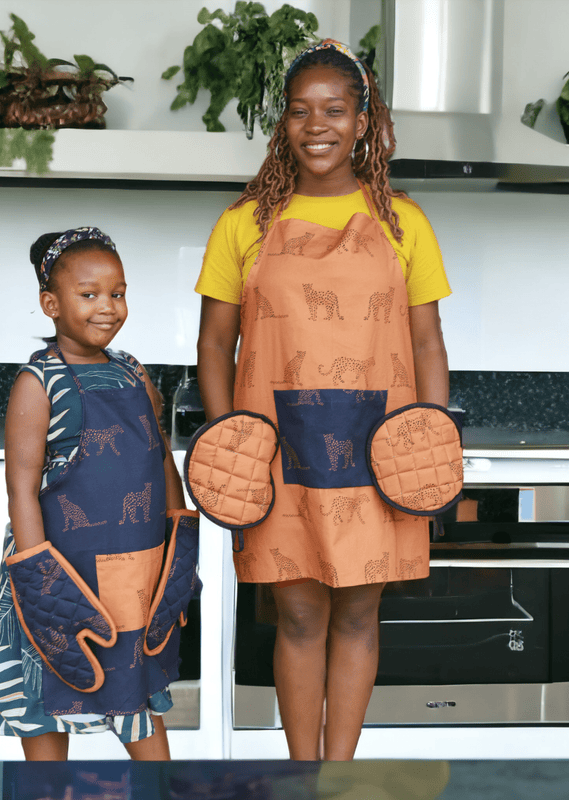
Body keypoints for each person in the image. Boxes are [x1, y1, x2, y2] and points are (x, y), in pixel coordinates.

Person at [195, 40, 451, 760]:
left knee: (359, 613)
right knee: (299, 616)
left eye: (335, 110)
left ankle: (339, 774)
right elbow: (215, 346)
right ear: (283, 123)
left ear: (363, 121)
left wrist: (429, 443)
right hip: (278, 449)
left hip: (382, 450)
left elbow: (428, 344)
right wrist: (231, 441)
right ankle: (302, 774)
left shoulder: (406, 223)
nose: (318, 125)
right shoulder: (241, 224)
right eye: (301, 111)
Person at [0, 227, 198, 761]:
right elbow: (21, 490)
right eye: (89, 294)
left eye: (117, 293)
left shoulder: (133, 372)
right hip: (59, 576)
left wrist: (179, 536)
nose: (107, 307)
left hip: (135, 575)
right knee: (46, 702)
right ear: (50, 304)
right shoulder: (38, 382)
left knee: (137, 702)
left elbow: (159, 455)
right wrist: (42, 585)